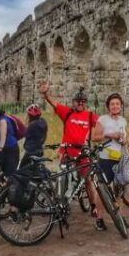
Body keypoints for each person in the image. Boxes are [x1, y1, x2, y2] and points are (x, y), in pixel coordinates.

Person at [38, 80, 104, 230]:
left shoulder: (90, 116)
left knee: (87, 180)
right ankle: (61, 205)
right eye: (77, 101)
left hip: (83, 154)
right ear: (73, 102)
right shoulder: (67, 113)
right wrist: (45, 93)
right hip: (67, 153)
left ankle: (93, 205)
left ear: (85, 103)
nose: (80, 103)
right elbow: (54, 103)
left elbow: (102, 126)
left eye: (82, 101)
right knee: (62, 179)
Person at [93, 92, 128, 201]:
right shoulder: (102, 119)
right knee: (103, 189)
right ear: (108, 106)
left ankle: (118, 216)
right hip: (106, 159)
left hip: (120, 158)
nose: (115, 106)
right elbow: (94, 138)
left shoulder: (123, 121)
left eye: (117, 104)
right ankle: (99, 217)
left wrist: (125, 140)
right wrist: (109, 135)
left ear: (121, 106)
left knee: (120, 190)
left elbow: (126, 138)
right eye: (112, 104)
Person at [20, 103, 47, 169]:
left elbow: (23, 133)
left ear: (29, 115)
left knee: (21, 170)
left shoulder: (31, 125)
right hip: (40, 150)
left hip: (30, 152)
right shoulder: (43, 122)